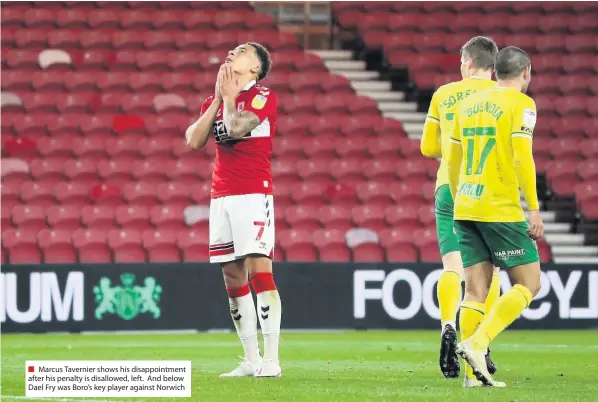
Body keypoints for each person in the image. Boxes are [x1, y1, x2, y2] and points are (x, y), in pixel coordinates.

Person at [447, 46, 544, 387]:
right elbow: (522, 159)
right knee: (530, 283)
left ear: (494, 72)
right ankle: (477, 343)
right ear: (526, 72)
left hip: (465, 205)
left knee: (475, 291)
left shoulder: (466, 105)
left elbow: (453, 160)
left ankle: (473, 376)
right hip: (499, 206)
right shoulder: (522, 105)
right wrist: (532, 206)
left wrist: (462, 196)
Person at [185, 42, 282, 378]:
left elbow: (238, 127)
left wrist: (228, 98)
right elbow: (194, 141)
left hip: (254, 193)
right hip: (221, 195)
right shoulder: (213, 101)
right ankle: (251, 359)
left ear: (255, 68)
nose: (231, 53)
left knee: (259, 270)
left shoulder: (263, 96)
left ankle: (271, 361)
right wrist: (216, 99)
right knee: (232, 276)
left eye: (242, 51)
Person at [420, 36, 500, 382]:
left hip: (449, 188)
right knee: (488, 274)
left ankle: (448, 323)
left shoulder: (444, 94)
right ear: (493, 66)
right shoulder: (506, 97)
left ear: (466, 62)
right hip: (487, 192)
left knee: (452, 265)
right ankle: (478, 341)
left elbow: (427, 148)